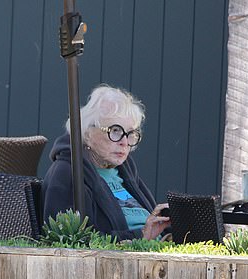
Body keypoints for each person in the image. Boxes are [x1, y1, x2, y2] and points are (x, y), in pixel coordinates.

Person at [43, 84, 170, 240]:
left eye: (130, 133)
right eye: (115, 131)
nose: (124, 142)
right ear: (87, 132)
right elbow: (71, 241)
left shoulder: (125, 168)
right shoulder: (67, 173)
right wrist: (141, 236)